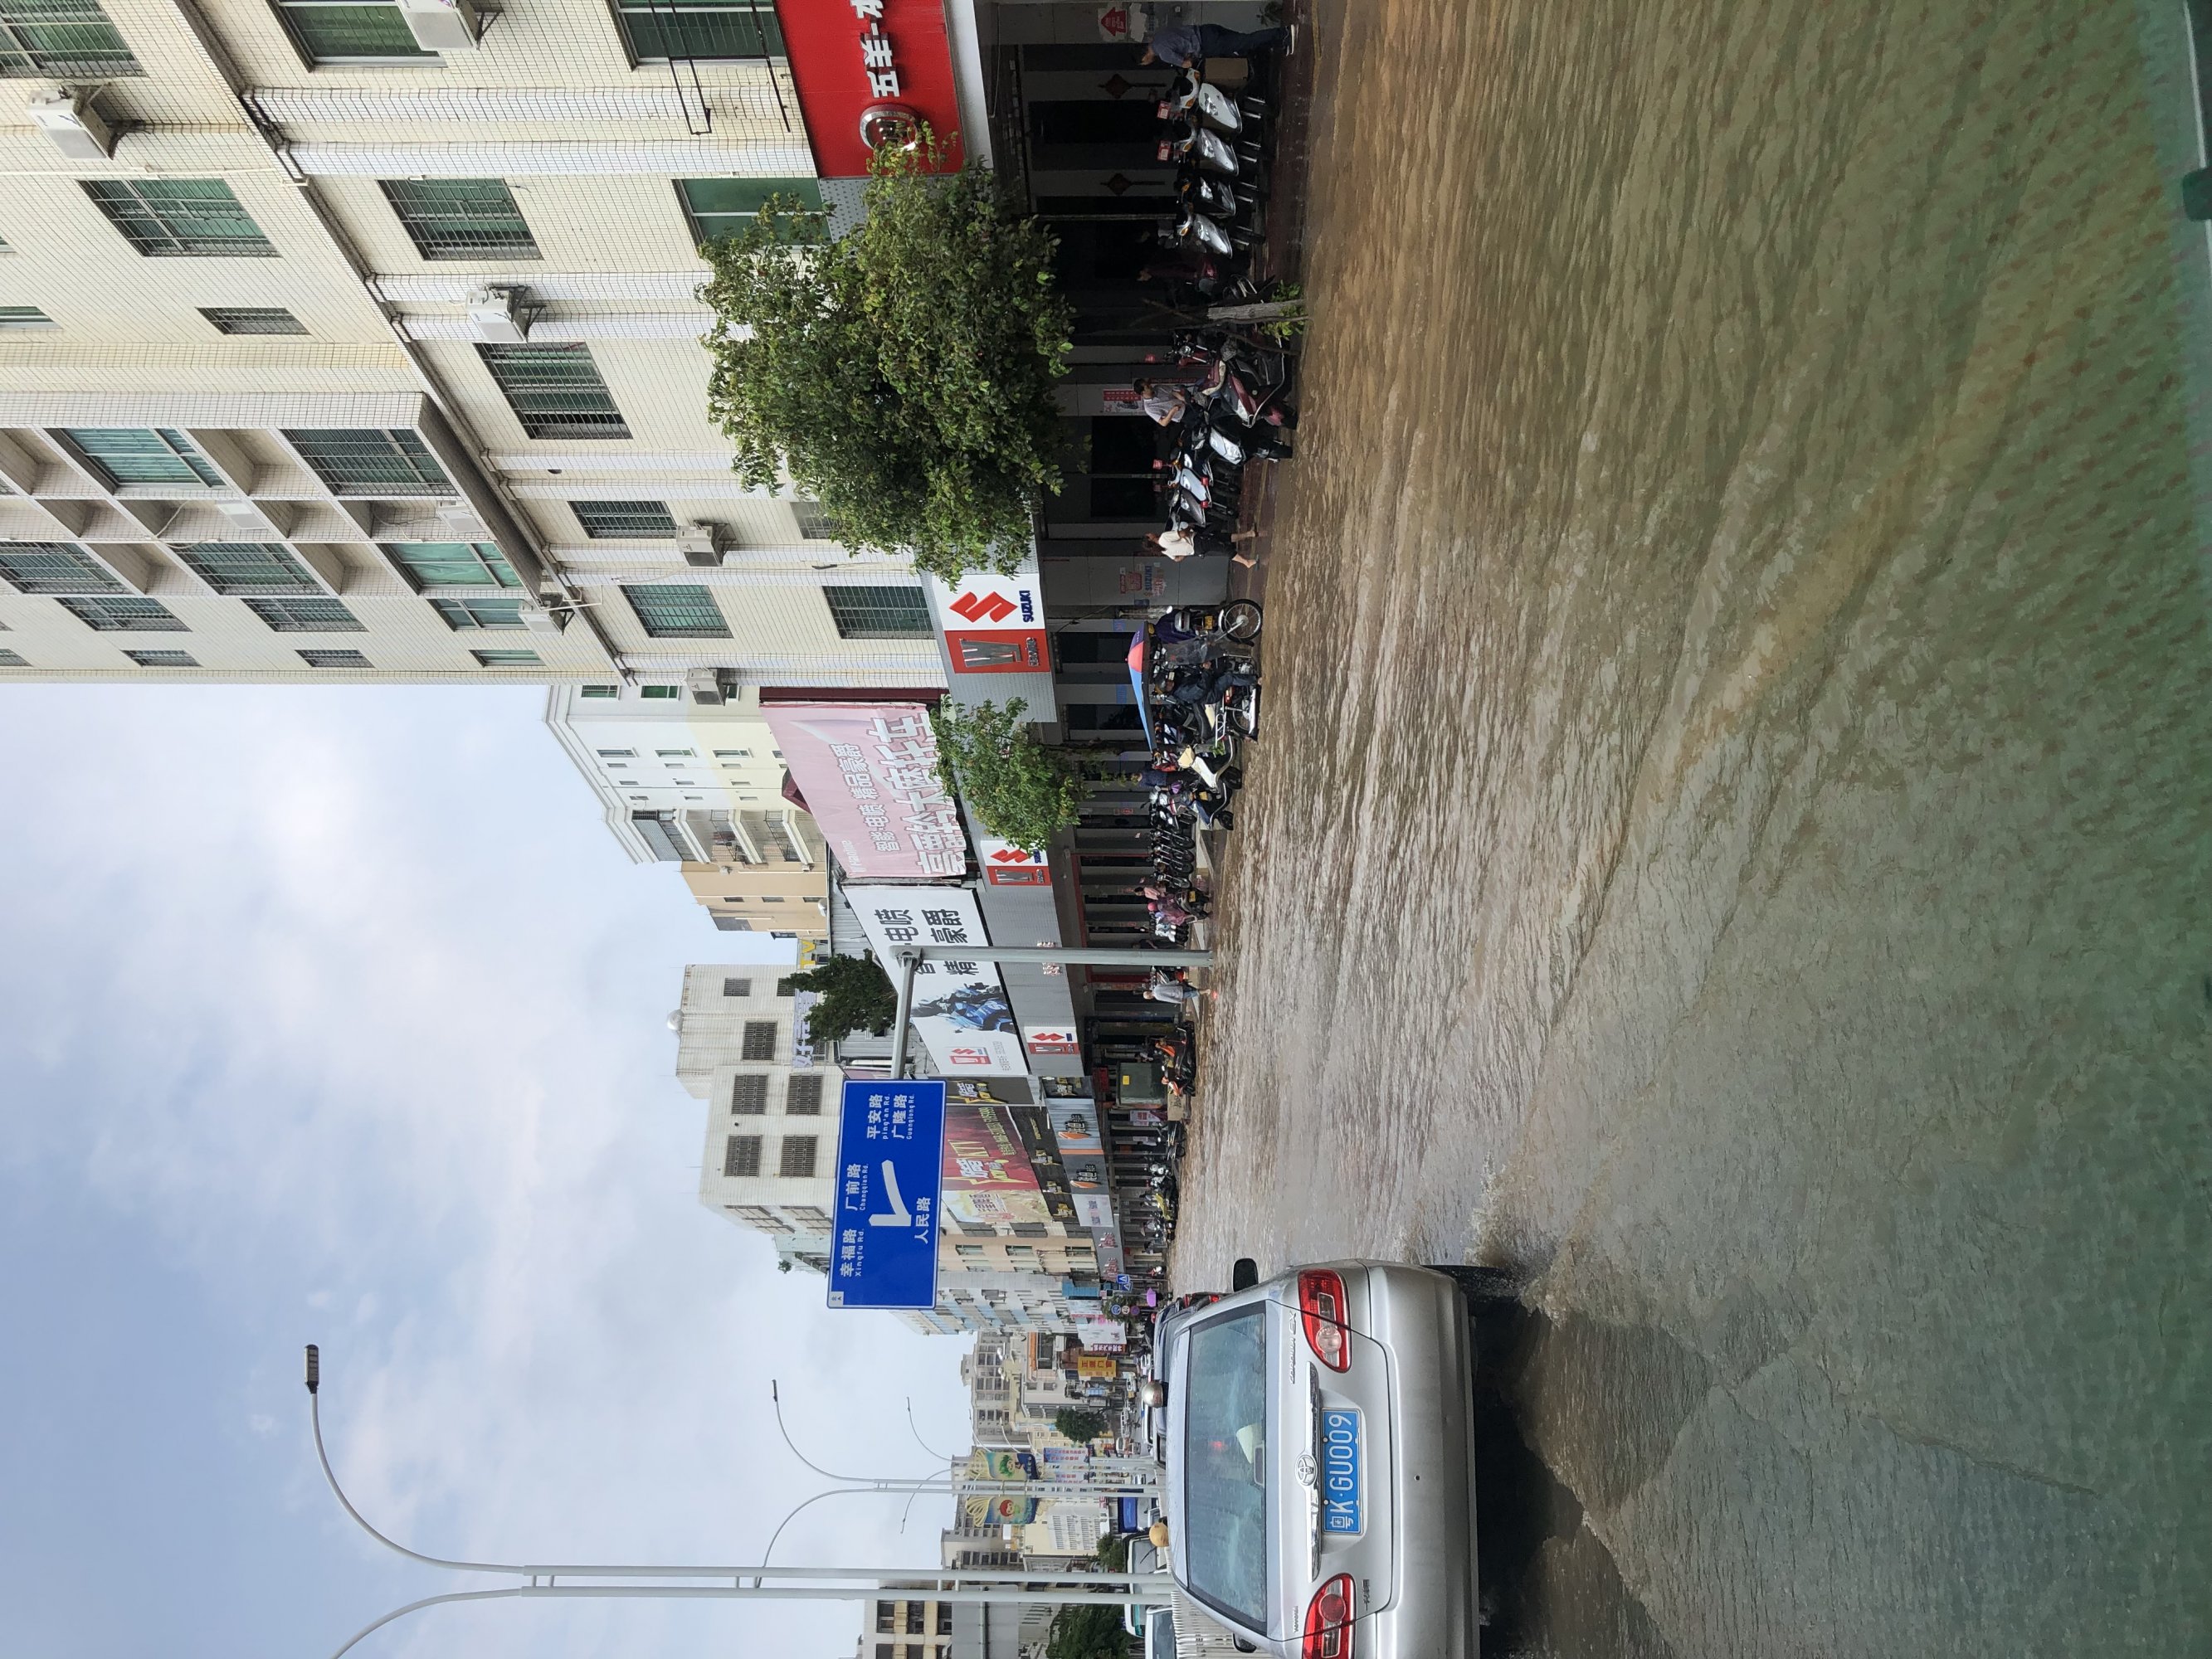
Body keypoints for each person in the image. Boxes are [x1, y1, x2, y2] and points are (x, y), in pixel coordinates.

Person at [1141, 22, 1289, 67]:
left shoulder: (1164, 54)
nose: (1146, 63)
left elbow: (1187, 64)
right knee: (1244, 43)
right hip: (1205, 30)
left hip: (1207, 44)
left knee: (1246, 42)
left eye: (1144, 62)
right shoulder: (1160, 35)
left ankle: (1283, 34)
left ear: (1144, 57)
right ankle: (1279, 43)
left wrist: (1189, 59)